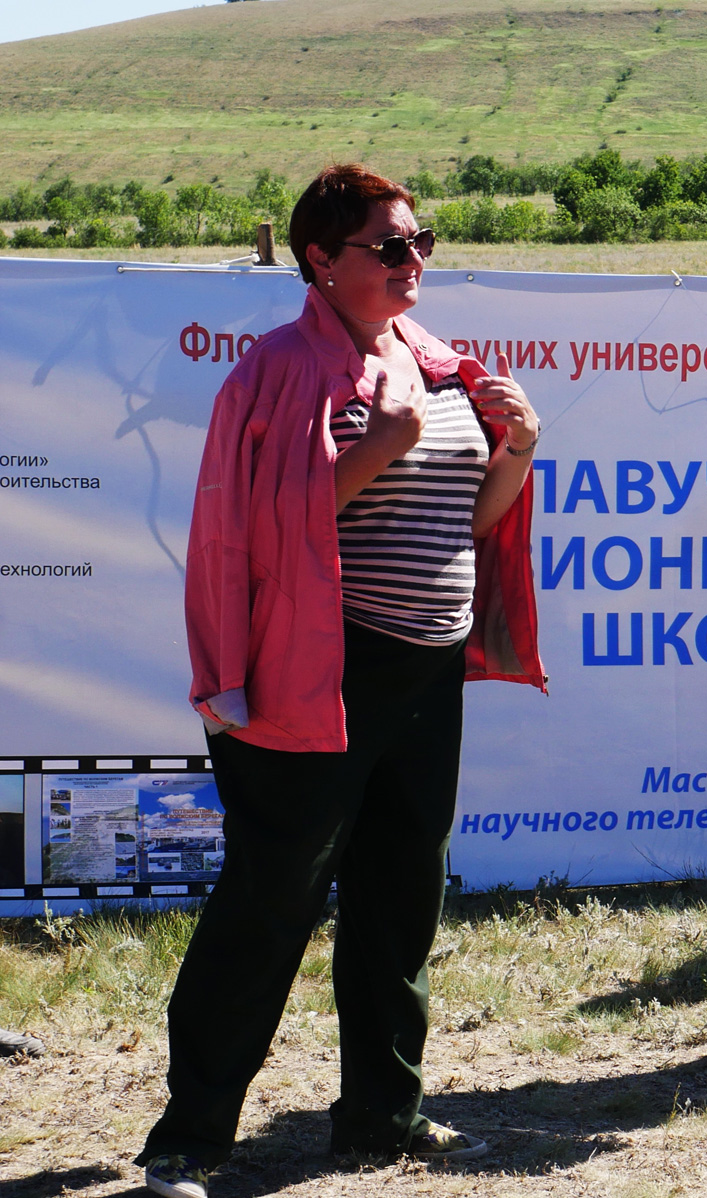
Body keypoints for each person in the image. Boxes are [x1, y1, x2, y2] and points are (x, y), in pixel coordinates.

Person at [136, 163, 546, 1198]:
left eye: (421, 242)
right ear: (320, 260)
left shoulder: (439, 366)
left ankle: (381, 1116)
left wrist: (518, 449)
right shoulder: (279, 370)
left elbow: (467, 523)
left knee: (402, 895)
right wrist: (385, 445)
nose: (414, 260)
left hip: (426, 671)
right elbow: (259, 528)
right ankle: (189, 1137)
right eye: (389, 245)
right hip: (320, 666)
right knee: (271, 897)